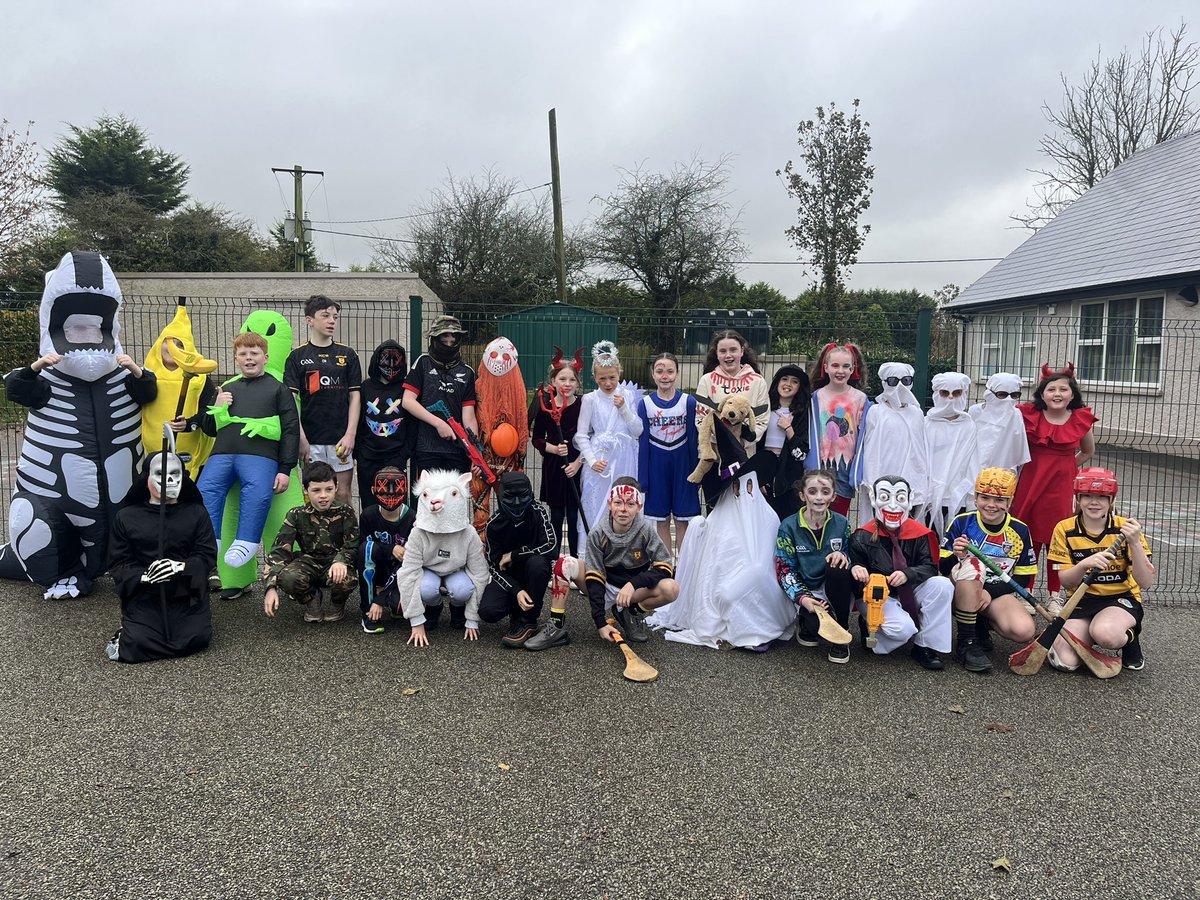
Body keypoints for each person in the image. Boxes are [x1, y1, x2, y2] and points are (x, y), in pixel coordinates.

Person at [0, 250, 158, 600]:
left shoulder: (122, 369)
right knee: (35, 513)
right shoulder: (42, 374)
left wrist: (136, 370)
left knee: (144, 505)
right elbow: (17, 388)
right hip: (55, 499)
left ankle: (127, 563)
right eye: (75, 328)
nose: (85, 335)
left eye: (91, 328)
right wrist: (36, 367)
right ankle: (60, 571)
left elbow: (148, 392)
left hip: (119, 496)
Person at [197, 332, 299, 573]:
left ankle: (247, 542)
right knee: (205, 490)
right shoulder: (226, 388)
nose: (249, 358)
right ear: (236, 359)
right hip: (221, 455)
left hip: (260, 457)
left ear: (265, 357)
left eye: (254, 353)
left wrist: (285, 469)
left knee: (257, 494)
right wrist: (219, 405)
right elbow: (210, 429)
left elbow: (291, 430)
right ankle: (209, 542)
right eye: (243, 354)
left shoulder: (279, 389)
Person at [105, 450, 217, 663]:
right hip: (145, 597)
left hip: (186, 596)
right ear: (146, 478)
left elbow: (207, 554)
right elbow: (119, 563)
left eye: (175, 473)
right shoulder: (127, 517)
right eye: (160, 474)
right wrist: (144, 576)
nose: (169, 480)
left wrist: (181, 567)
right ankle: (126, 632)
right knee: (136, 644)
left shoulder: (196, 513)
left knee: (197, 639)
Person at [1011, 363, 1097, 616]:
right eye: (1051, 389)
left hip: (1060, 488)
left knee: (1057, 540)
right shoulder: (1028, 415)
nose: (1057, 393)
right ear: (1042, 394)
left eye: (1064, 389)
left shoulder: (1080, 419)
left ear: (1072, 394)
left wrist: (1067, 465)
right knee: (1029, 538)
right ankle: (1025, 592)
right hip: (1031, 483)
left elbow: (1088, 451)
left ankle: (1054, 596)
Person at [1048, 467, 1154, 672]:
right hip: (1081, 600)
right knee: (1065, 662)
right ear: (1078, 498)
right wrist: (1084, 564)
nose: (1094, 502)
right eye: (1087, 495)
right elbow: (1066, 582)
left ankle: (1129, 640)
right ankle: (1088, 631)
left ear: (1111, 500)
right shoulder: (1064, 529)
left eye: (1101, 497)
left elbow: (1145, 582)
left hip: (1120, 598)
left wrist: (1135, 544)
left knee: (1107, 635)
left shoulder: (1127, 529)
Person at [848, 475, 953, 670]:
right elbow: (854, 569)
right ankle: (871, 628)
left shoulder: (920, 534)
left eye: (901, 498)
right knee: (902, 630)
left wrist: (908, 574)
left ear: (910, 499)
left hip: (910, 589)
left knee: (943, 585)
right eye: (885, 497)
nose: (894, 506)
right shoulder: (861, 536)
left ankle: (924, 645)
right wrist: (856, 567)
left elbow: (930, 567)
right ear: (873, 498)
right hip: (878, 598)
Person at [941, 468, 1037, 674]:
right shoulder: (962, 522)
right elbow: (941, 567)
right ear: (975, 498)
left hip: (993, 591)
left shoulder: (1019, 530)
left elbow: (1024, 575)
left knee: (1024, 630)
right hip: (960, 587)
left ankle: (980, 624)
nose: (991, 505)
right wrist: (957, 556)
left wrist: (989, 593)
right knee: (975, 566)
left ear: (1009, 502)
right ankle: (966, 643)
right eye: (985, 497)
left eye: (999, 500)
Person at [284, 295, 362, 507]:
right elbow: (291, 402)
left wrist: (350, 435)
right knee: (314, 495)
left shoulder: (348, 355)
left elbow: (355, 396)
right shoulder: (297, 356)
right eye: (325, 316)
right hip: (311, 440)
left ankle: (347, 540)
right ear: (310, 320)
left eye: (335, 317)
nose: (331, 321)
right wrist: (301, 438)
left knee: (342, 494)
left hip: (340, 440)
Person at [396, 469, 489, 647]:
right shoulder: (418, 533)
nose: (435, 501)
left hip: (456, 570)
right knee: (427, 588)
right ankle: (433, 607)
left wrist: (472, 618)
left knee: (462, 589)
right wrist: (416, 621)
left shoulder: (468, 533)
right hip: (428, 571)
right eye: (426, 495)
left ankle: (458, 609)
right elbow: (408, 573)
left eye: (453, 493)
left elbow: (479, 573)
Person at [263, 461, 360, 623]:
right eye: (316, 490)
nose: (323, 495)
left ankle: (337, 604)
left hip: (334, 563)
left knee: (347, 579)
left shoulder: (345, 512)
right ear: (305, 489)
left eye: (328, 489)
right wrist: (270, 587)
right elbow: (279, 552)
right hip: (309, 562)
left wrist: (341, 560)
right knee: (288, 577)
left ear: (336, 486)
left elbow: (352, 544)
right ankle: (312, 600)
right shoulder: (296, 515)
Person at [584, 478, 679, 644]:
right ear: (609, 504)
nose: (623, 510)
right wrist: (600, 622)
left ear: (639, 507)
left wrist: (632, 585)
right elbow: (594, 577)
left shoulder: (645, 531)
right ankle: (556, 626)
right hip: (606, 586)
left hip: (633, 591)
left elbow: (665, 567)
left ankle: (629, 611)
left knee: (672, 589)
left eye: (630, 504)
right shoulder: (597, 533)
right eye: (618, 502)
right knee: (565, 566)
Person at [775, 470, 854, 664]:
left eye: (825, 492)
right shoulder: (788, 526)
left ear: (833, 496)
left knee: (839, 567)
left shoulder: (842, 523)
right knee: (814, 629)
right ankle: (805, 620)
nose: (819, 497)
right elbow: (784, 569)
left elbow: (852, 555)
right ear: (803, 496)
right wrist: (803, 599)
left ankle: (842, 633)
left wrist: (843, 555)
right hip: (806, 589)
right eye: (812, 491)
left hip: (833, 585)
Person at [477, 472, 561, 649]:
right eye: (510, 497)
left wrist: (514, 555)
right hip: (510, 578)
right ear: (500, 497)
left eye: (522, 496)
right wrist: (516, 590)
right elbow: (493, 567)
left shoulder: (538, 512)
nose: (516, 503)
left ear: (530, 494)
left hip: (534, 572)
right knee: (487, 612)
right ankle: (517, 610)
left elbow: (551, 547)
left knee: (538, 563)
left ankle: (528, 620)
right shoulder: (493, 524)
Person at [141, 300, 218, 481]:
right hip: (150, 452)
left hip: (188, 453)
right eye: (168, 342)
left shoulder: (199, 379)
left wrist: (190, 423)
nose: (173, 348)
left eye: (180, 344)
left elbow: (208, 411)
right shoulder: (146, 376)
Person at [575, 341, 643, 543]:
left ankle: (624, 548)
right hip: (600, 457)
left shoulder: (627, 396)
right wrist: (592, 459)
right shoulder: (590, 399)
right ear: (594, 377)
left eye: (612, 378)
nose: (607, 383)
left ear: (619, 375)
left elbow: (637, 429)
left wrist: (624, 409)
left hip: (623, 458)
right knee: (594, 503)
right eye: (602, 378)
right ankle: (590, 551)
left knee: (623, 502)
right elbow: (581, 434)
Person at [694, 330, 769, 507]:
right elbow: (701, 419)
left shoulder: (758, 382)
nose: (728, 355)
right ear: (716, 354)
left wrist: (739, 444)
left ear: (742, 351)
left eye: (733, 350)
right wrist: (722, 443)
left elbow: (761, 420)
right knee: (715, 512)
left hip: (745, 459)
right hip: (714, 460)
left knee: (743, 510)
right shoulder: (707, 381)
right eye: (723, 351)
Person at [637, 353, 701, 556]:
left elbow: (693, 440)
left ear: (677, 373)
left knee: (683, 521)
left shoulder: (688, 402)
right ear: (653, 374)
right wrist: (643, 478)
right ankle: (666, 568)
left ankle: (683, 569)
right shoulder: (645, 404)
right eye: (660, 371)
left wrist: (696, 473)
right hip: (657, 465)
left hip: (683, 466)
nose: (665, 376)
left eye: (670, 371)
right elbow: (643, 442)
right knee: (661, 521)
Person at [402, 315, 478, 477]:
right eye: (444, 336)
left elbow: (469, 416)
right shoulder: (422, 363)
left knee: (456, 499)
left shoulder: (467, 372)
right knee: (429, 499)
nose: (449, 340)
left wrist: (474, 449)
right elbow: (408, 401)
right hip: (426, 448)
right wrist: (438, 423)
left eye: (454, 336)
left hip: (457, 450)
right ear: (434, 338)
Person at [858, 362, 928, 526]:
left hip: (910, 480)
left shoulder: (917, 413)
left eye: (905, 380)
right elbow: (871, 450)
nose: (900, 386)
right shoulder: (876, 412)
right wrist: (871, 481)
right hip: (883, 478)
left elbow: (920, 450)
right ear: (884, 383)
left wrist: (921, 481)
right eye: (893, 381)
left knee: (907, 526)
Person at [471, 336, 529, 534]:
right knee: (480, 509)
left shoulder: (517, 390)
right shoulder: (477, 388)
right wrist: (474, 457)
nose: (497, 361)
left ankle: (508, 549)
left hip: (509, 460)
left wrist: (519, 459)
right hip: (482, 457)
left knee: (512, 506)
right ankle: (481, 548)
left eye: (503, 356)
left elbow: (521, 422)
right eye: (494, 355)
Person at [530, 349, 585, 556]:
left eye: (572, 379)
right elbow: (536, 438)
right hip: (554, 468)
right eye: (562, 378)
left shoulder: (582, 405)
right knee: (555, 517)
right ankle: (554, 564)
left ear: (578, 384)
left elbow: (591, 435)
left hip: (576, 467)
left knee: (574, 517)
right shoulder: (546, 406)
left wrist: (578, 462)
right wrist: (553, 448)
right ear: (553, 381)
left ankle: (574, 563)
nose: (567, 383)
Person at [805, 343, 870, 517]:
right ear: (825, 368)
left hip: (845, 464)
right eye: (835, 365)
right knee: (816, 512)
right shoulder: (815, 397)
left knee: (839, 516)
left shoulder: (860, 399)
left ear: (853, 369)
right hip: (820, 462)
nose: (840, 370)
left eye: (845, 366)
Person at [355, 340, 413, 506]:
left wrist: (403, 454)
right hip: (368, 457)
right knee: (368, 504)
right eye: (386, 359)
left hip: (396, 457)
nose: (391, 365)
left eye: (396, 360)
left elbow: (412, 424)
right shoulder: (365, 387)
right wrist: (360, 452)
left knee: (395, 503)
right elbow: (358, 420)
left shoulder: (405, 389)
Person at [358, 467, 415, 634]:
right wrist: (391, 548)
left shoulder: (412, 517)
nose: (390, 495)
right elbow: (364, 550)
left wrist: (381, 598)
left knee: (400, 609)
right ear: (373, 490)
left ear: (404, 490)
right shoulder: (368, 515)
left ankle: (389, 598)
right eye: (385, 491)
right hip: (377, 570)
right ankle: (368, 610)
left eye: (396, 490)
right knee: (367, 548)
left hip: (401, 573)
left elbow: (411, 561)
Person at [923, 371, 981, 537]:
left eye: (956, 393)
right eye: (944, 393)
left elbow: (971, 462)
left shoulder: (969, 425)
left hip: (958, 495)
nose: (950, 398)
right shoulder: (927, 424)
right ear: (936, 394)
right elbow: (921, 460)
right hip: (931, 496)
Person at [756, 363, 811, 520]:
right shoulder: (764, 410)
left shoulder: (803, 415)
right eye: (784, 379)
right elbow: (755, 447)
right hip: (764, 476)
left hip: (788, 480)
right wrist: (758, 478)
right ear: (777, 383)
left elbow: (800, 454)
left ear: (799, 387)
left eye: (794, 381)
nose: (788, 384)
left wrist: (789, 429)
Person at [968, 372, 1030, 473]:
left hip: (1002, 474)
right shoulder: (975, 412)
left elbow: (1019, 451)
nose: (1008, 399)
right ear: (989, 393)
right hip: (972, 469)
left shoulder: (1016, 415)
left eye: (1014, 395)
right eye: (1002, 394)